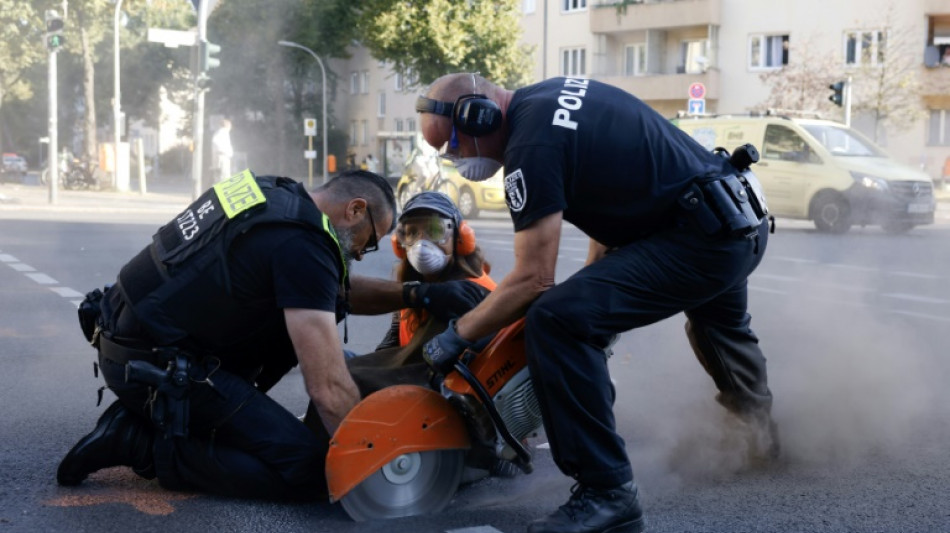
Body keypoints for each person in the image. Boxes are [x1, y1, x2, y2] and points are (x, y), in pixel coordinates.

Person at [415, 73, 775, 533]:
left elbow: (532, 279)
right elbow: (609, 204)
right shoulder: (549, 95)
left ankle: (607, 493)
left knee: (556, 321)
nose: (456, 160)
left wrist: (456, 336)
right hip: (735, 220)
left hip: (702, 237)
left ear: (479, 115)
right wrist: (592, 292)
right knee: (717, 327)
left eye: (454, 146)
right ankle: (758, 438)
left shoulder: (530, 148)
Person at [55, 169, 481, 501]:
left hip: (129, 341)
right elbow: (328, 387)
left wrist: (418, 294)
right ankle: (141, 443)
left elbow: (329, 291)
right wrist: (374, 457)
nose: (360, 252)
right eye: (371, 240)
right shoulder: (303, 245)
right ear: (355, 210)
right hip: (160, 368)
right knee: (314, 470)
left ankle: (152, 418)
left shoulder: (273, 194)